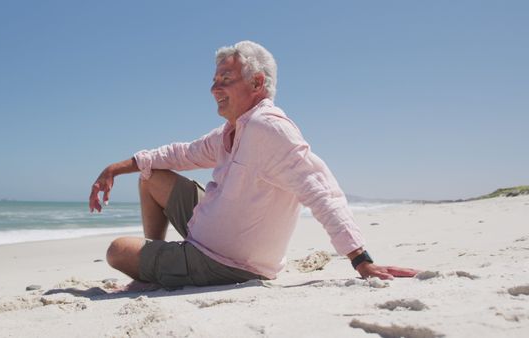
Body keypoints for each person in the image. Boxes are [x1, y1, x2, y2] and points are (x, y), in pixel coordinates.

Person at [89, 41, 417, 288]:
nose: (214, 87)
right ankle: (161, 260)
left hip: (225, 262)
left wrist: (361, 261)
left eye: (225, 79)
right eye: (215, 79)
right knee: (150, 176)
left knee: (117, 250)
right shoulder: (234, 129)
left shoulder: (269, 129)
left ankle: (161, 268)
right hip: (204, 234)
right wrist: (115, 168)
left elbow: (321, 192)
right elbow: (182, 153)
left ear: (257, 83)